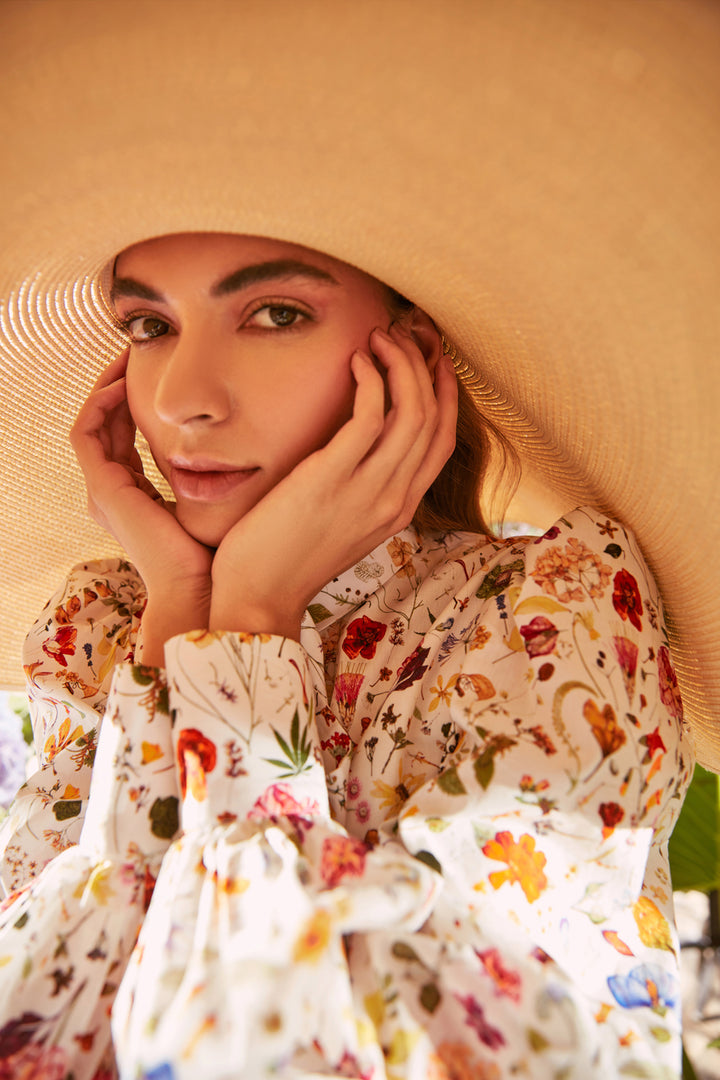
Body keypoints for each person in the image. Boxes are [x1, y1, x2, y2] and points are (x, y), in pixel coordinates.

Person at [0, 230, 694, 1079]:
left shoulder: (547, 610)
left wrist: (253, 618)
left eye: (276, 313)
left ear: (413, 362)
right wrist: (183, 612)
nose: (181, 398)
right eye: (149, 325)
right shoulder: (105, 627)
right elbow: (37, 1015)